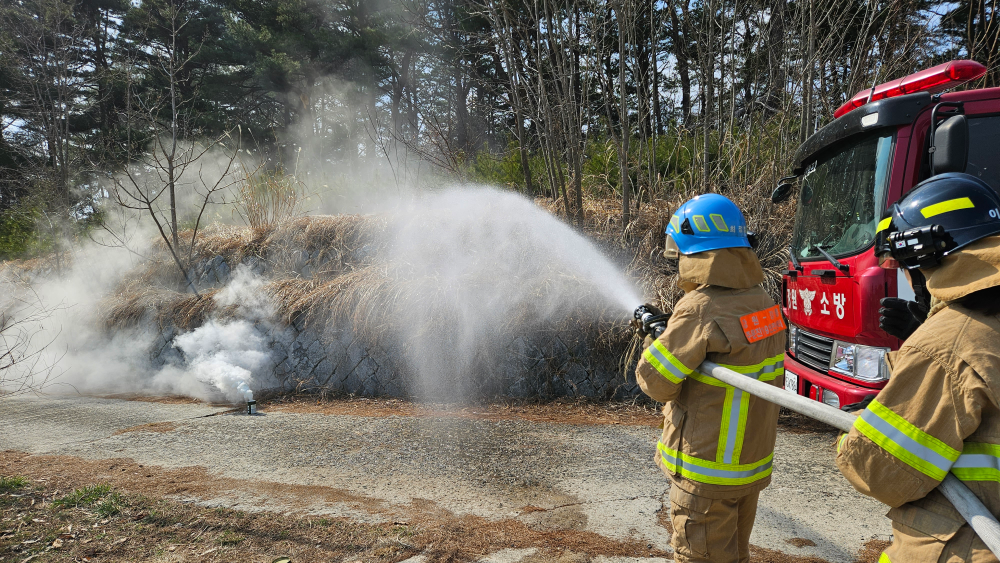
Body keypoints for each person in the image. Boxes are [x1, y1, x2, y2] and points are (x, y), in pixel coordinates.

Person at [836, 172, 1000, 562]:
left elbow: (881, 472)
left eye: (910, 267)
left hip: (966, 545)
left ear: (927, 257)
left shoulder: (949, 344)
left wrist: (855, 435)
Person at [635, 193, 786, 563]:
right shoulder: (764, 304)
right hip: (747, 469)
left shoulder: (700, 308)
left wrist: (658, 335)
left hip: (705, 475)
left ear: (697, 252)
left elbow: (655, 380)